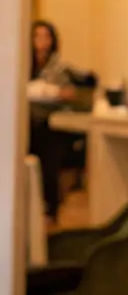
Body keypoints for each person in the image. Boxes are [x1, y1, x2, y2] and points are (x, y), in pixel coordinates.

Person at [28, 20, 74, 223]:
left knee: (49, 168)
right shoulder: (25, 65)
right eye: (37, 36)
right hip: (29, 121)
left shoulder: (59, 67)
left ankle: (51, 210)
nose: (41, 41)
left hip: (50, 123)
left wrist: (50, 92)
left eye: (46, 36)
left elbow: (68, 93)